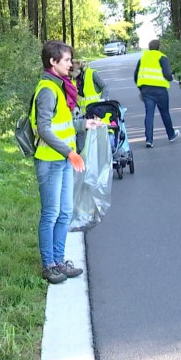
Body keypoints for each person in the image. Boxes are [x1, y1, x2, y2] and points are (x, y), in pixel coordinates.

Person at [31, 40, 86, 284]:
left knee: (65, 213)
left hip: (62, 161)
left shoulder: (61, 86)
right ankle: (49, 265)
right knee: (51, 214)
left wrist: (85, 124)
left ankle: (60, 261)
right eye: (66, 60)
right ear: (53, 62)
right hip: (51, 161)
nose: (70, 64)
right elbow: (44, 129)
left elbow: (61, 124)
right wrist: (70, 152)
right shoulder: (47, 89)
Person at [134, 38, 180, 148]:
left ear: (149, 47)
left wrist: (141, 89)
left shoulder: (143, 58)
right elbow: (167, 74)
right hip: (160, 91)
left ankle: (149, 140)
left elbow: (136, 75)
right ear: (159, 47)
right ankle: (171, 134)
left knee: (149, 114)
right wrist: (171, 77)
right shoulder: (162, 57)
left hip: (146, 91)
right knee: (165, 113)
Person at [70, 60, 110, 152]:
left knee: (98, 140)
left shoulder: (92, 74)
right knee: (81, 143)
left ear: (77, 69)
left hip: (97, 113)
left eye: (71, 71)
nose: (69, 73)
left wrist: (102, 100)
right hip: (82, 115)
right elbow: (76, 97)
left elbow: (105, 86)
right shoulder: (73, 80)